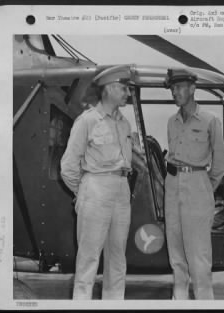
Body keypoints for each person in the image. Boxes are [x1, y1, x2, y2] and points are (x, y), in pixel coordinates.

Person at [60, 67, 133, 300]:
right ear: (109, 89)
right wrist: (82, 192)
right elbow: (68, 166)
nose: (128, 93)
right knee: (89, 259)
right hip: (96, 189)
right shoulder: (87, 121)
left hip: (122, 190)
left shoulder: (124, 124)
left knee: (117, 259)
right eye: (124, 88)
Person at [164, 68, 224, 299]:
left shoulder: (210, 121)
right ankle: (178, 301)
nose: (174, 92)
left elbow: (219, 167)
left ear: (192, 88)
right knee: (176, 255)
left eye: (179, 87)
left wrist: (202, 189)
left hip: (198, 184)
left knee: (199, 256)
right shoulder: (172, 122)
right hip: (172, 185)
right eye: (172, 88)